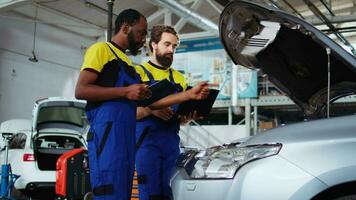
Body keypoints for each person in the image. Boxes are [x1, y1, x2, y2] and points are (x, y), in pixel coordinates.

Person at [75, 9, 210, 200]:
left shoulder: (128, 65)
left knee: (122, 194)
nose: (144, 38)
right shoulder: (101, 50)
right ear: (125, 28)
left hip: (126, 138)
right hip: (107, 137)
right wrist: (125, 91)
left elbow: (152, 103)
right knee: (109, 193)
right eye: (141, 32)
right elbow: (81, 90)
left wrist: (189, 94)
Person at [134, 25, 201, 200]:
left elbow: (179, 117)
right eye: (167, 44)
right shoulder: (138, 73)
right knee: (150, 194)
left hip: (172, 144)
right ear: (154, 44)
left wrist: (186, 118)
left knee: (170, 193)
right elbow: (129, 114)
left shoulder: (179, 78)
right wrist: (151, 109)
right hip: (146, 144)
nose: (171, 50)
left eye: (174, 46)